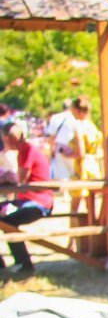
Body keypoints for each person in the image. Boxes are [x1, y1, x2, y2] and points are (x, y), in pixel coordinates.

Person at [0, 122, 53, 277]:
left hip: (38, 202)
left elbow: (21, 179)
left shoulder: (27, 151)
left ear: (8, 138)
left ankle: (24, 263)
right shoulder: (24, 150)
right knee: (7, 221)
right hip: (29, 199)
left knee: (8, 223)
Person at [67, 97, 103, 217]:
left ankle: (73, 227)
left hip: (82, 166)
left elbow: (81, 152)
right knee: (91, 202)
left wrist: (67, 154)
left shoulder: (78, 127)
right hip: (93, 164)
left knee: (76, 202)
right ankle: (93, 224)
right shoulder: (92, 126)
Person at [46, 99, 76, 182]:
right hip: (73, 149)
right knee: (75, 176)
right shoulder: (74, 118)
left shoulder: (55, 118)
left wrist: (51, 151)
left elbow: (51, 137)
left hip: (60, 149)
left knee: (63, 177)